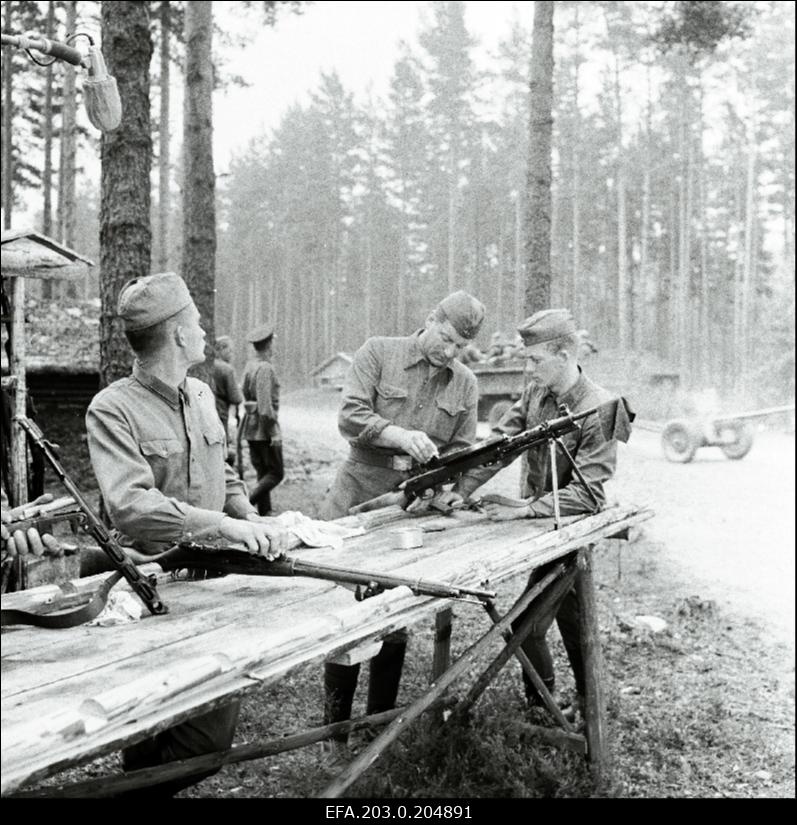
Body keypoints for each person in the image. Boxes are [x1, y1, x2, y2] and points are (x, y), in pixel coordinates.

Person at [85, 272, 291, 796]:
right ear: (178, 334)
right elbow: (131, 507)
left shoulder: (199, 393)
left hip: (214, 583)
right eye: (196, 322)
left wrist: (247, 515)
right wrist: (220, 524)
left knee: (199, 738)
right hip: (150, 587)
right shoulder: (112, 408)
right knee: (160, 727)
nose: (203, 331)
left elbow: (223, 471)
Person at [318, 289, 486, 767]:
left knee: (395, 620)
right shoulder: (378, 351)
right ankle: (335, 738)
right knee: (349, 621)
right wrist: (401, 435)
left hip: (408, 511)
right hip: (356, 501)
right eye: (446, 339)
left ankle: (377, 733)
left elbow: (460, 449)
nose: (450, 352)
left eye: (460, 347)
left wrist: (447, 486)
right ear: (430, 318)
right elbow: (351, 416)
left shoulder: (465, 383)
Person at [440, 308, 631, 724]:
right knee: (571, 618)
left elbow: (589, 493)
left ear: (564, 356)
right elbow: (499, 447)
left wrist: (525, 509)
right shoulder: (535, 395)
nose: (528, 369)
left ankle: (545, 710)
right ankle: (583, 702)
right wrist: (461, 490)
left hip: (570, 533)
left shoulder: (602, 408)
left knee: (529, 624)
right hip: (540, 531)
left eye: (535, 360)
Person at [241, 324, 284, 516]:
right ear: (269, 345)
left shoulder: (250, 366)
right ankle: (244, 504)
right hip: (264, 429)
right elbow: (265, 408)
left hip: (252, 428)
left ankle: (265, 513)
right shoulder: (265, 368)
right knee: (276, 473)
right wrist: (273, 431)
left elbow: (245, 394)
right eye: (273, 342)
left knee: (263, 472)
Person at [212, 335, 244, 465]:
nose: (232, 354)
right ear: (220, 349)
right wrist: (238, 389)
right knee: (222, 450)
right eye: (230, 350)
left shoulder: (208, 365)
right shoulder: (226, 369)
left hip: (208, 412)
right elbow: (236, 398)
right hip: (220, 414)